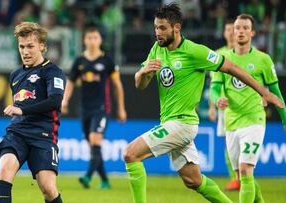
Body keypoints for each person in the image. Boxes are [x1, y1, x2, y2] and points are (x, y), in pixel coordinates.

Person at [122, 4, 284, 203]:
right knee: (193, 180)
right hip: (170, 122)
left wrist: (263, 92)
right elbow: (140, 85)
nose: (158, 33)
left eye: (163, 28)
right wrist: (143, 73)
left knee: (130, 154)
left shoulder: (195, 52)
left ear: (176, 28)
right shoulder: (157, 49)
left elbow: (231, 67)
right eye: (156, 27)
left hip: (182, 124)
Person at [210, 14, 286, 203]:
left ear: (252, 32)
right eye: (238, 28)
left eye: (245, 28)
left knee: (245, 169)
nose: (241, 31)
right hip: (231, 122)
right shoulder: (223, 59)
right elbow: (214, 87)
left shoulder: (263, 59)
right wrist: (217, 98)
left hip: (254, 120)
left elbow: (275, 91)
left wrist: (285, 118)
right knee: (242, 176)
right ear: (232, 32)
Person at [0, 22, 65, 203]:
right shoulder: (15, 75)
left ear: (42, 46)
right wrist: (20, 112)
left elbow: (55, 101)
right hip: (17, 132)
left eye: (30, 46)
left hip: (43, 134)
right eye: (22, 46)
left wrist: (21, 109)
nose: (25, 51)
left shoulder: (53, 72)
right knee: (4, 170)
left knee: (47, 187)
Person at [61, 27, 127, 189]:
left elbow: (117, 86)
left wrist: (121, 109)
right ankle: (105, 181)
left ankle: (88, 177)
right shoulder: (79, 61)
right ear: (84, 40)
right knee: (93, 145)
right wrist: (64, 100)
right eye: (89, 38)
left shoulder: (107, 61)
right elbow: (70, 82)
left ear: (100, 40)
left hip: (101, 108)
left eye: (95, 38)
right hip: (84, 109)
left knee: (95, 140)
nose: (92, 41)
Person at [208, 19, 240, 191]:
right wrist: (212, 107)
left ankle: (244, 176)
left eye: (232, 29)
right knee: (229, 144)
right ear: (224, 33)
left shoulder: (245, 53)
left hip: (243, 105)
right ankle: (235, 178)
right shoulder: (217, 55)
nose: (230, 32)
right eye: (227, 29)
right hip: (223, 106)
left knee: (243, 142)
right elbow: (213, 84)